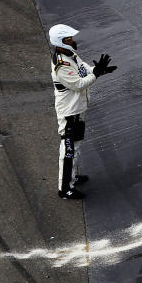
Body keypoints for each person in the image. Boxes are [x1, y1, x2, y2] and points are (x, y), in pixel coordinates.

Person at [49, 24, 116, 200]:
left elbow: (85, 69)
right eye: (68, 39)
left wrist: (98, 70)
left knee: (76, 145)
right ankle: (64, 189)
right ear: (60, 42)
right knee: (69, 150)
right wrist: (97, 75)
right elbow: (78, 84)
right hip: (69, 112)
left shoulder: (70, 54)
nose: (72, 40)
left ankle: (72, 177)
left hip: (77, 109)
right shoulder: (61, 64)